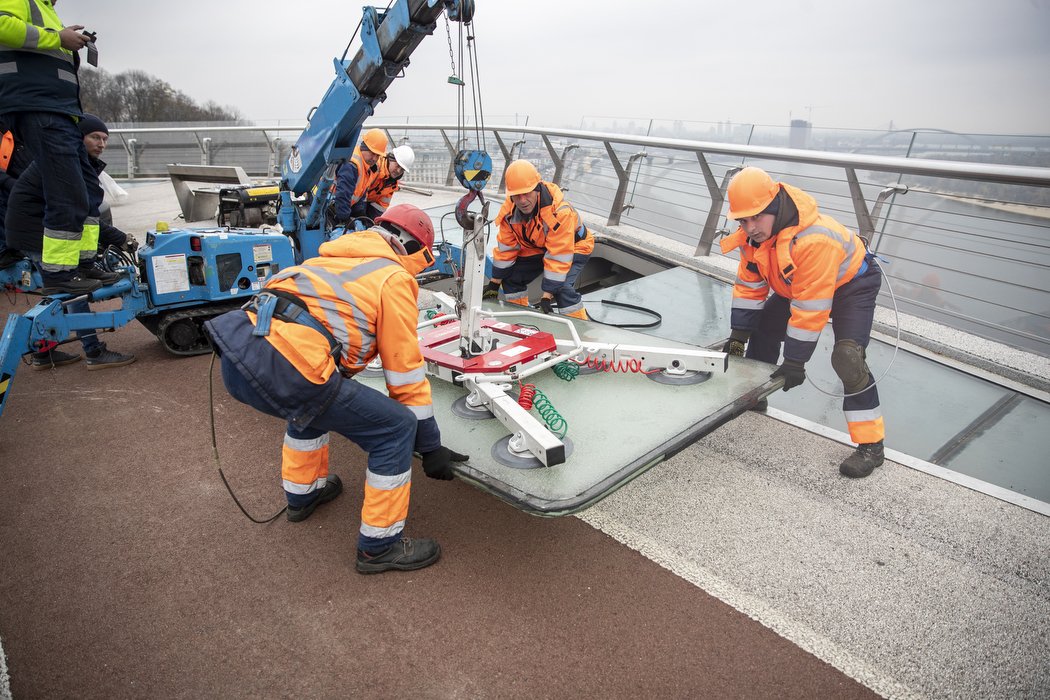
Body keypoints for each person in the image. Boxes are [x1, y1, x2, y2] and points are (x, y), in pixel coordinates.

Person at [204, 203, 468, 575]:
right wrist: (430, 445)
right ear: (411, 248)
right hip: (293, 369)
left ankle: (303, 495)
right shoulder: (393, 278)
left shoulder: (327, 259)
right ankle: (379, 547)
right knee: (394, 428)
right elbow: (405, 373)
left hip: (239, 359)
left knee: (312, 403)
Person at [719, 167, 885, 478]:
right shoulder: (752, 240)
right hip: (797, 285)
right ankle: (756, 395)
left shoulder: (813, 240)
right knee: (763, 328)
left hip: (852, 286)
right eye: (743, 220)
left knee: (848, 358)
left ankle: (872, 446)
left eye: (756, 217)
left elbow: (811, 307)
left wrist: (795, 361)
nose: (750, 227)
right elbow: (750, 287)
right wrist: (739, 333)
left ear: (774, 207)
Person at [4, 113, 136, 370]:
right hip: (36, 231)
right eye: (95, 137)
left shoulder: (74, 161)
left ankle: (45, 352)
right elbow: (77, 212)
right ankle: (94, 352)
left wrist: (110, 244)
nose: (101, 144)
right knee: (71, 290)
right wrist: (117, 240)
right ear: (79, 137)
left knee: (61, 287)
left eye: (105, 139)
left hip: (33, 228)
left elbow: (87, 216)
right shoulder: (67, 164)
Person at [0, 0, 102, 295]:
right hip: (38, 106)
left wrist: (64, 43)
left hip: (59, 109)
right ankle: (59, 274)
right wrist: (57, 38)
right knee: (65, 192)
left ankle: (82, 263)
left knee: (86, 190)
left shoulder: (44, 8)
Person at [484, 159, 594, 320]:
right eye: (517, 195)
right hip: (539, 248)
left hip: (575, 247)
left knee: (561, 288)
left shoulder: (559, 213)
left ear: (537, 188)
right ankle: (521, 319)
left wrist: (546, 296)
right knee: (512, 278)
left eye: (527, 193)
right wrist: (494, 283)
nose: (522, 201)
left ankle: (580, 327)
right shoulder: (509, 212)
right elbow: (507, 249)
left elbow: (558, 256)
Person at [329, 128, 389, 226]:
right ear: (364, 147)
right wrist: (344, 219)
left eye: (378, 155)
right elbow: (343, 194)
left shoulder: (368, 167)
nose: (374, 158)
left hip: (338, 206)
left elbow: (361, 193)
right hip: (329, 206)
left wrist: (360, 213)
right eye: (372, 153)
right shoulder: (352, 165)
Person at [360, 144, 414, 220]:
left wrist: (371, 222)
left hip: (364, 205)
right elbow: (360, 192)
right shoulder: (374, 167)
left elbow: (380, 207)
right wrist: (359, 215)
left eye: (402, 169)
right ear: (391, 159)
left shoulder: (392, 185)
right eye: (397, 165)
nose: (398, 171)